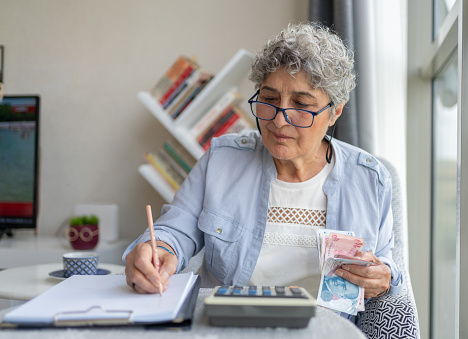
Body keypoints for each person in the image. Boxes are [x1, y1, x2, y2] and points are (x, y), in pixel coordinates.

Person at [123, 21, 402, 322]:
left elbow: (386, 264)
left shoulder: (370, 179)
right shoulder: (221, 160)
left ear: (335, 111)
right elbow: (174, 231)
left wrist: (384, 276)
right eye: (269, 99)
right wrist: (158, 250)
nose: (279, 121)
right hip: (229, 326)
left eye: (301, 104)